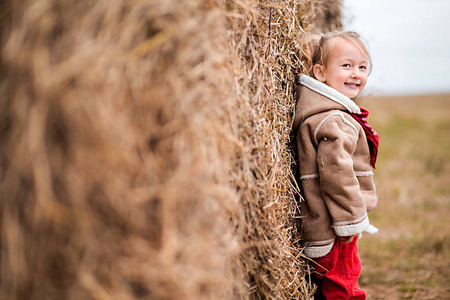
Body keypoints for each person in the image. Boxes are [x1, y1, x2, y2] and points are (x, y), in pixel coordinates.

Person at [293, 31, 380, 299]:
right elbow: (336, 176)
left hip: (323, 225)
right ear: (320, 73)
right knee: (345, 289)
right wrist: (351, 221)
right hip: (336, 229)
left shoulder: (317, 114)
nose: (356, 73)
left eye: (362, 67)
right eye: (346, 65)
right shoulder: (335, 120)